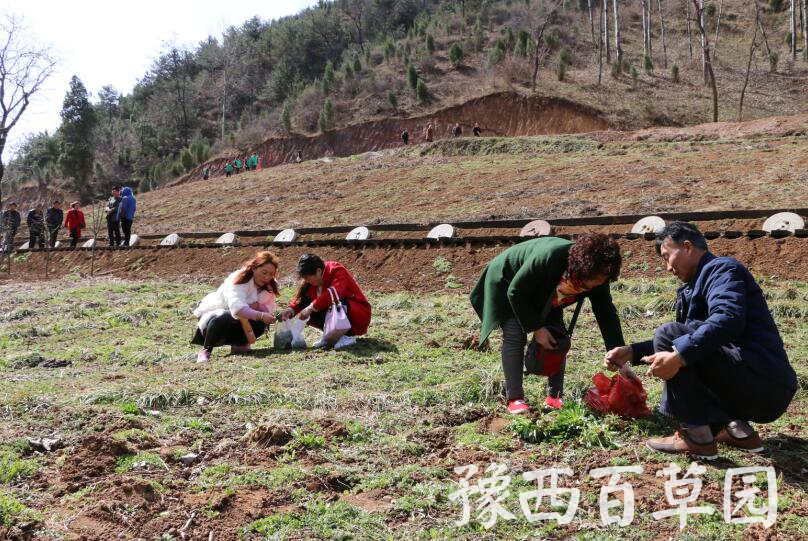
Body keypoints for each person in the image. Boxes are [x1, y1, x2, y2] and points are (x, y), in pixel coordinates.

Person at [604, 222, 797, 460]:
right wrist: (633, 352)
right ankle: (736, 430)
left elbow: (727, 319)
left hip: (764, 382)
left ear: (687, 247)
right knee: (682, 342)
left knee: (671, 337)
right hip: (756, 384)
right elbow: (694, 336)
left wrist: (678, 356)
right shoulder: (695, 287)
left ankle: (696, 435)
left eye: (667, 257)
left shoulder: (723, 270)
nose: (667, 268)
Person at [470, 234, 625, 414]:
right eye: (597, 278)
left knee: (557, 336)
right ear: (585, 267)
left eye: (604, 279)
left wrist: (620, 354)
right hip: (509, 281)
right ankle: (515, 398)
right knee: (515, 334)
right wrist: (536, 327)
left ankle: (554, 396)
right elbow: (516, 291)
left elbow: (606, 313)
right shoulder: (551, 257)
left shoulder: (600, 276)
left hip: (547, 290)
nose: (599, 283)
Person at [192, 251, 280, 362]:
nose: (267, 277)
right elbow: (237, 308)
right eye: (264, 272)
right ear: (254, 268)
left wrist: (260, 310)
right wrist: (260, 314)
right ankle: (206, 350)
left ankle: (240, 344)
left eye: (271, 274)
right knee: (223, 317)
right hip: (217, 316)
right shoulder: (239, 278)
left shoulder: (269, 286)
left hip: (243, 321)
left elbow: (268, 307)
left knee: (260, 324)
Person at [282, 254, 371, 350]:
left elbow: (335, 292)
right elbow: (303, 299)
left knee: (337, 301)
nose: (306, 281)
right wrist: (291, 309)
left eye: (307, 278)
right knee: (311, 310)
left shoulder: (336, 270)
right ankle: (329, 336)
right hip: (337, 312)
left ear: (318, 271)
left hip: (358, 313)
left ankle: (349, 336)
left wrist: (311, 306)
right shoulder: (312, 282)